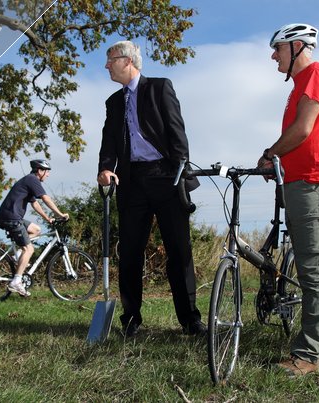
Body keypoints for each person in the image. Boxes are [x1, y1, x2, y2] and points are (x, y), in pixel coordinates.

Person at [97, 40, 205, 337]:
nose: (106, 65)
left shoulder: (159, 88)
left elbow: (177, 134)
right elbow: (109, 142)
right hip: (131, 182)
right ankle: (131, 319)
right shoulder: (113, 103)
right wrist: (105, 168)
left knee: (179, 251)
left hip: (166, 177)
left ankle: (190, 320)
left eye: (110, 59)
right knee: (130, 252)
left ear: (127, 61)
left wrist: (179, 172)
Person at [257, 23, 319, 376]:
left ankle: (308, 355)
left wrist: (269, 153)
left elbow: (303, 129)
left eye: (277, 48)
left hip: (314, 185)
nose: (273, 55)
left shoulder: (316, 73)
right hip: (303, 184)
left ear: (296, 47)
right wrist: (276, 164)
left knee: (314, 271)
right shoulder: (300, 85)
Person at [0, 159, 70, 296]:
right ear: (40, 171)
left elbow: (35, 204)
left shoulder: (28, 181)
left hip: (12, 216)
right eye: (46, 172)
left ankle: (18, 255)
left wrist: (47, 218)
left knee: (36, 230)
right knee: (29, 249)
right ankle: (16, 281)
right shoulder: (32, 180)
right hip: (12, 218)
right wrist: (60, 214)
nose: (48, 175)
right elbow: (46, 199)